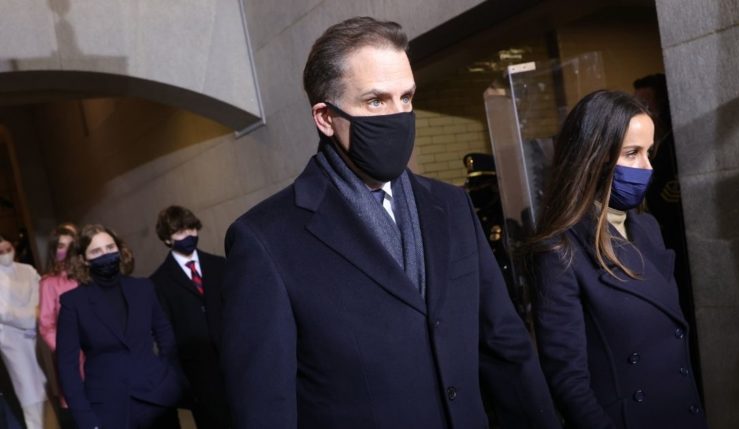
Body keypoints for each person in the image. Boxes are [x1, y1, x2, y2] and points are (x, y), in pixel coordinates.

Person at [220, 16, 559, 429]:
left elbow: (505, 347)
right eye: (376, 101)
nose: (398, 116)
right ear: (326, 118)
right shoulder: (265, 240)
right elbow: (265, 409)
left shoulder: (452, 207)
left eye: (406, 98)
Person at [530, 90, 708, 428]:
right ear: (593, 157)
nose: (648, 167)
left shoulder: (647, 228)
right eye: (632, 153)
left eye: (649, 152)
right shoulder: (560, 249)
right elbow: (568, 382)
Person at [57, 224, 185, 429]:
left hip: (157, 397)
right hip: (110, 408)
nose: (105, 254)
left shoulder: (143, 288)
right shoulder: (73, 303)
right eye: (96, 251)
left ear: (119, 249)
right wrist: (85, 419)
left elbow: (165, 335)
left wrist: (168, 377)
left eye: (110, 248)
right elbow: (67, 367)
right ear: (83, 259)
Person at [150, 206, 229, 428]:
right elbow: (165, 334)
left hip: (232, 363)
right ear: (167, 238)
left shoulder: (220, 265)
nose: (189, 236)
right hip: (197, 375)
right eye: (180, 232)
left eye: (192, 228)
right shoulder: (158, 282)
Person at [0, 234, 47, 428]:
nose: (5, 254)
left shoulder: (27, 269)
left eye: (8, 250)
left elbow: (40, 296)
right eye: (0, 252)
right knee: (28, 391)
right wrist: (31, 316)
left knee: (47, 387)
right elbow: (3, 312)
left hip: (39, 334)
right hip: (11, 340)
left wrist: (35, 314)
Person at [38, 223, 81, 429]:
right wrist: (65, 349)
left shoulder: (87, 276)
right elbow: (46, 325)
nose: (67, 251)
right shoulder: (48, 283)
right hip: (71, 355)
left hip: (99, 351)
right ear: (54, 250)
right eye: (61, 246)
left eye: (71, 246)